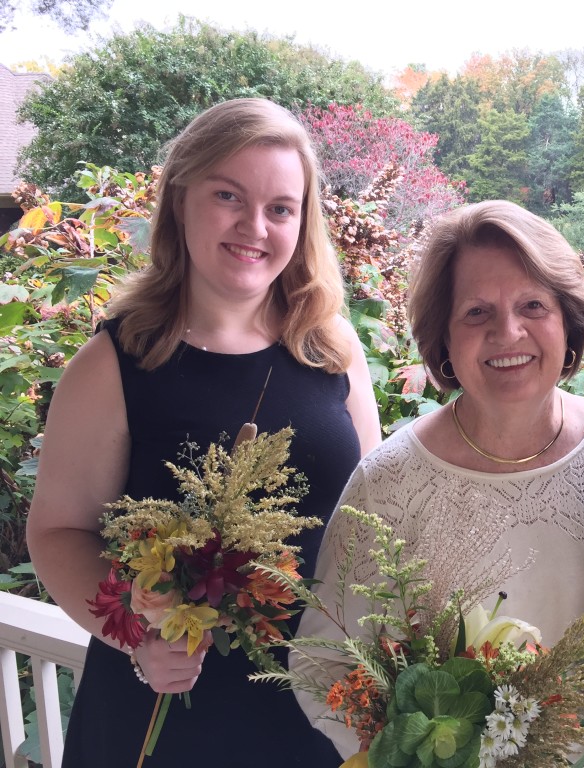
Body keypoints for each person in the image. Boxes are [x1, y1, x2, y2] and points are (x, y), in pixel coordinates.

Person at [26, 97, 381, 767]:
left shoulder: (332, 349)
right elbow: (55, 533)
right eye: (229, 196)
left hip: (314, 715)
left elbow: (376, 516)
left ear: (302, 224)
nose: (255, 225)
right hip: (165, 714)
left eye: (281, 207)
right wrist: (138, 636)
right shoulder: (115, 363)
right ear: (181, 199)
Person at [292, 200, 584, 764]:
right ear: (445, 342)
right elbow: (322, 661)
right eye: (477, 312)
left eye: (533, 304)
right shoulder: (391, 481)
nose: (508, 331)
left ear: (568, 321)